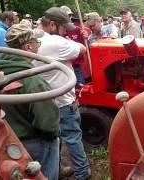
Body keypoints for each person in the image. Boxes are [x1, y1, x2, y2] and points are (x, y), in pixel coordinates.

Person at [0, 24, 60, 179]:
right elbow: (48, 123)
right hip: (33, 141)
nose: (39, 45)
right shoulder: (34, 82)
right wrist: (53, 135)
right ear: (29, 47)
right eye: (37, 42)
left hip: (6, 140)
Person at [32, 7, 91, 179]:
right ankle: (82, 172)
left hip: (46, 101)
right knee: (72, 137)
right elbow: (82, 49)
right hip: (63, 101)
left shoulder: (34, 38)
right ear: (52, 25)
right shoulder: (55, 43)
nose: (66, 32)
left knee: (52, 139)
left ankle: (56, 170)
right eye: (63, 28)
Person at [64, 12, 91, 89]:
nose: (78, 23)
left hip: (76, 65)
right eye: (75, 21)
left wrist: (86, 38)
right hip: (65, 64)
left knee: (80, 86)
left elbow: (86, 48)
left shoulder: (81, 31)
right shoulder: (63, 31)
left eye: (80, 21)